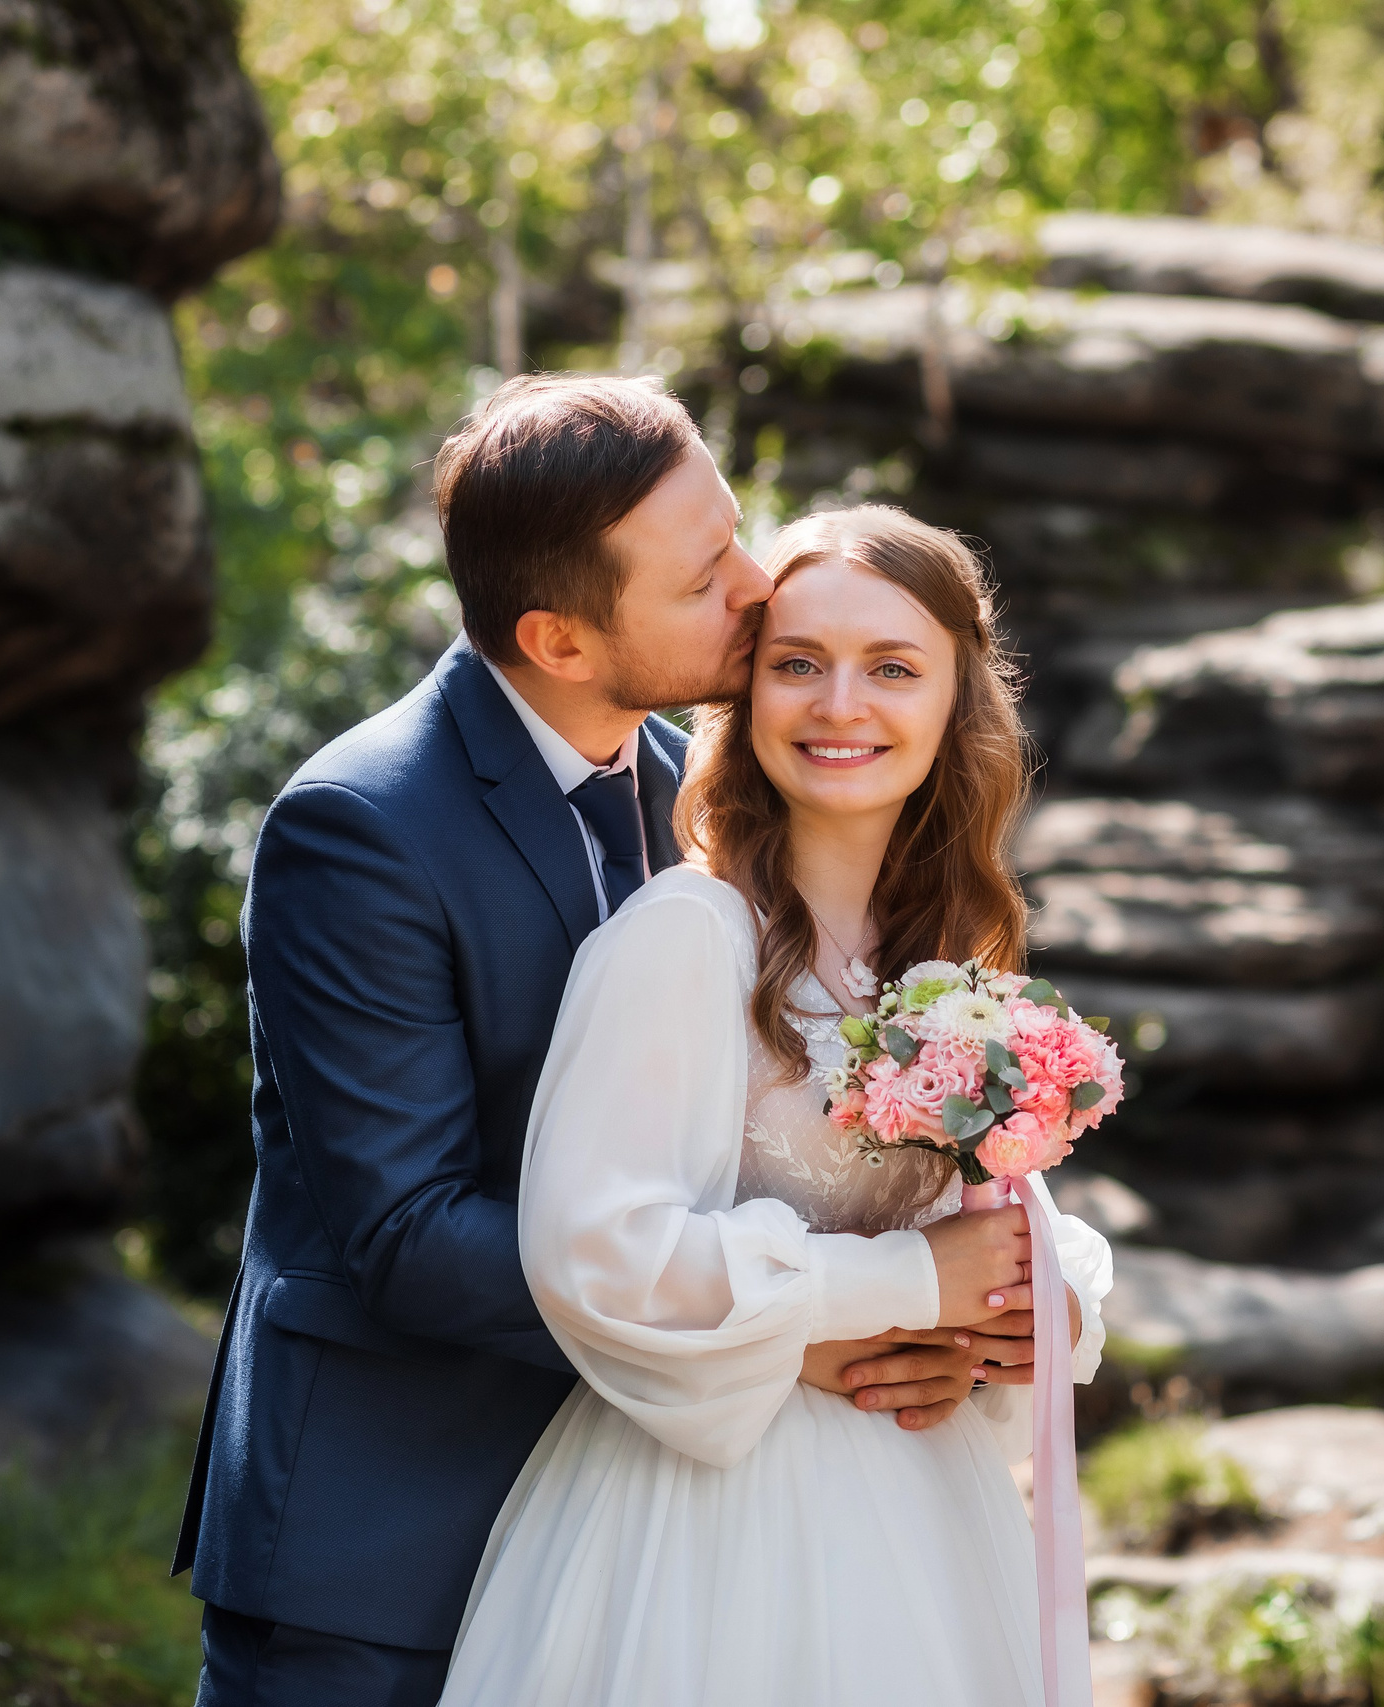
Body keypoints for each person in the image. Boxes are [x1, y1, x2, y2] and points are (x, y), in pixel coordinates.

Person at [174, 377, 997, 1706]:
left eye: (732, 532)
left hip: (652, 1517)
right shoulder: (362, 827)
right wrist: (801, 1330)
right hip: (390, 1519)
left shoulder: (708, 792)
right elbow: (409, 1228)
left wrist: (938, 1305)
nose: (754, 584)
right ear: (559, 637)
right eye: (700, 578)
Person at [436, 505, 1114, 1707]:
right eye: (797, 663)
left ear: (959, 703)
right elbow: (595, 1251)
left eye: (892, 668)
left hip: (925, 1517)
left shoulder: (945, 967)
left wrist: (1021, 1314)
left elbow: (1002, 1232)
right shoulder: (685, 937)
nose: (839, 704)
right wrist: (908, 1290)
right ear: (743, 698)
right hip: (710, 1529)